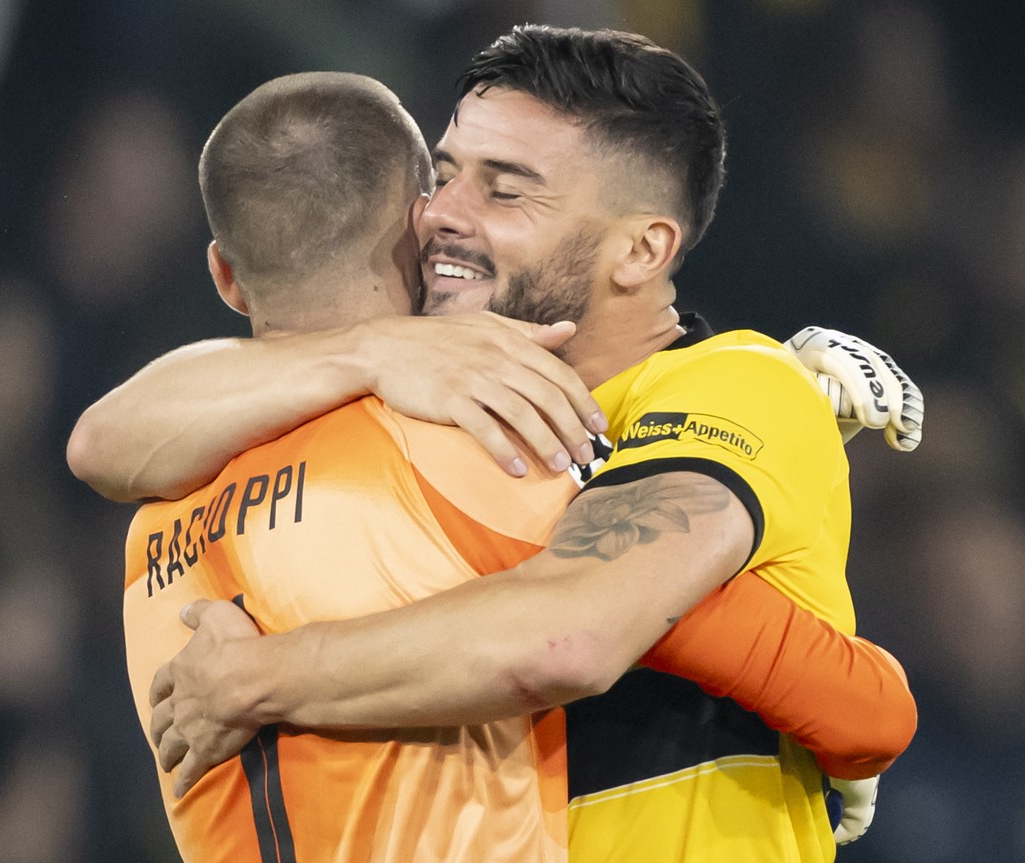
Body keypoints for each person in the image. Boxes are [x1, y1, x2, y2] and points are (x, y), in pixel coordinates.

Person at [116, 26, 920, 862]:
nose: (439, 214)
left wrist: (254, 677)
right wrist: (854, 715)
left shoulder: (726, 383)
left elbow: (573, 631)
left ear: (644, 248)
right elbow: (105, 440)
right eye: (444, 172)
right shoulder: (416, 426)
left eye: (506, 191)